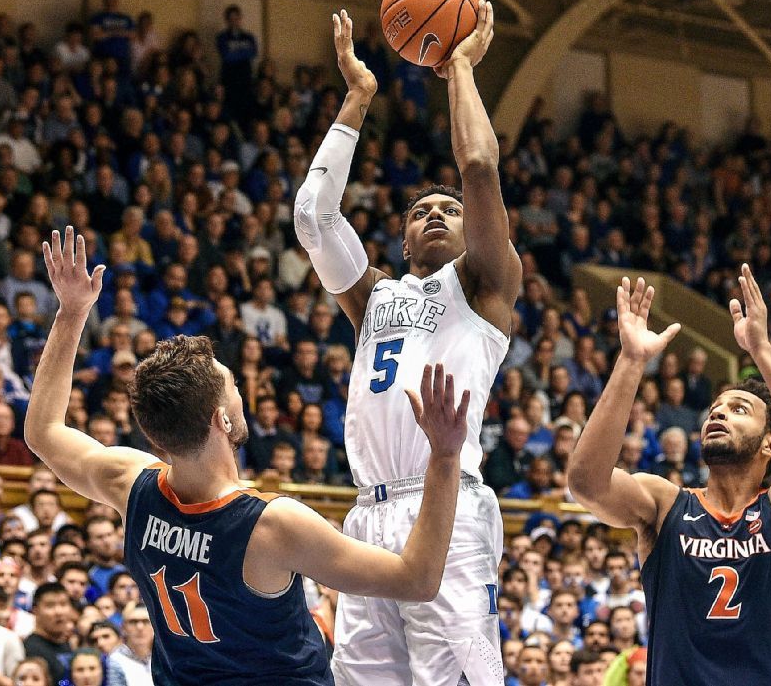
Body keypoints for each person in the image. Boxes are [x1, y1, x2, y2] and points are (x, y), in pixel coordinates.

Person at [25, 227, 471, 684]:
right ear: (221, 419)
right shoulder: (271, 525)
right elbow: (417, 580)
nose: (240, 393)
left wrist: (71, 312)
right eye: (233, 386)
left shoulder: (129, 483)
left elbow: (43, 432)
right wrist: (445, 456)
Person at [294, 6, 517, 685]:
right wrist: (358, 98)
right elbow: (312, 216)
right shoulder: (373, 298)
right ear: (403, 239)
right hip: (368, 514)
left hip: (448, 506)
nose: (437, 214)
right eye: (422, 211)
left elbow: (478, 166)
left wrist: (461, 68)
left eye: (450, 210)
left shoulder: (486, 285)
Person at [568, 267, 771, 685]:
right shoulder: (664, 503)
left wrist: (762, 350)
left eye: (739, 410)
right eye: (716, 409)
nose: (719, 414)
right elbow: (586, 482)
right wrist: (631, 361)